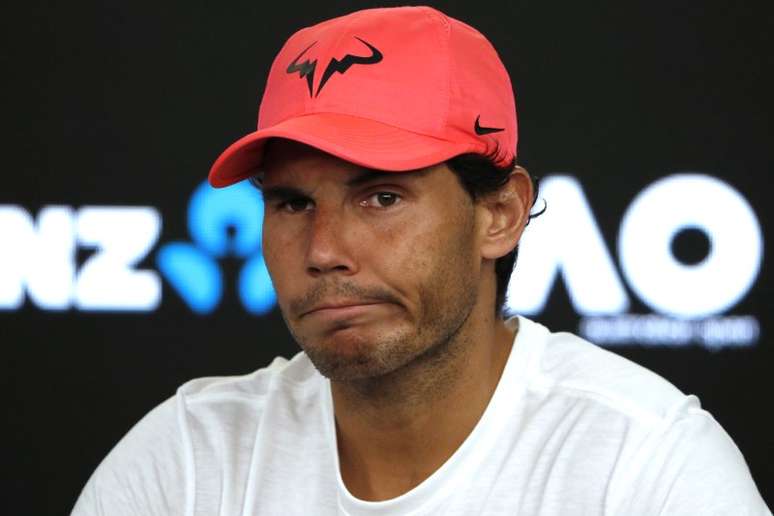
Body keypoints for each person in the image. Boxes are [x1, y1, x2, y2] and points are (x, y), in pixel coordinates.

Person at [72, 6, 770, 515]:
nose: (322, 251)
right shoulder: (190, 459)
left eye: (380, 197)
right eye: (290, 204)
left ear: (499, 214)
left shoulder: (645, 465)